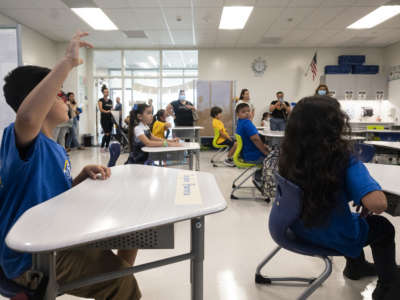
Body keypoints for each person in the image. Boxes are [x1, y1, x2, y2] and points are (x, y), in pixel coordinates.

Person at [0, 33, 141, 300]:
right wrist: (67, 62)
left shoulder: (53, 147)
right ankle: (119, 285)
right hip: (31, 256)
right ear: (39, 97)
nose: (66, 100)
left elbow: (50, 196)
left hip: (55, 237)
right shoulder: (20, 137)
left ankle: (118, 279)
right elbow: (29, 116)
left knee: (130, 238)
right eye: (59, 94)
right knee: (122, 284)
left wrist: (77, 179)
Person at [279, 96, 399, 300]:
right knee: (382, 227)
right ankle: (389, 287)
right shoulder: (344, 159)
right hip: (330, 234)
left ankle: (356, 265)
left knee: (351, 217)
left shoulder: (289, 154)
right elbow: (378, 204)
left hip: (297, 227)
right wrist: (366, 189)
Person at [236, 102, 270, 191]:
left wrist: (263, 146)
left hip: (245, 154)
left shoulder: (240, 123)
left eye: (248, 111)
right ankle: (258, 178)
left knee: (269, 154)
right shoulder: (247, 123)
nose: (247, 113)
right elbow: (255, 139)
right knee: (273, 159)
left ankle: (258, 176)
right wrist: (264, 151)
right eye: (243, 112)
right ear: (238, 114)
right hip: (252, 155)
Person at [98, 84, 113, 152]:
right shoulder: (100, 100)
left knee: (109, 133)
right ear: (103, 93)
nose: (106, 93)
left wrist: (112, 111)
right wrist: (107, 111)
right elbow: (101, 109)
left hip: (110, 119)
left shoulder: (110, 101)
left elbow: (112, 109)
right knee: (106, 133)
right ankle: (102, 147)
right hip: (104, 119)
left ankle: (107, 147)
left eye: (107, 92)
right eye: (105, 92)